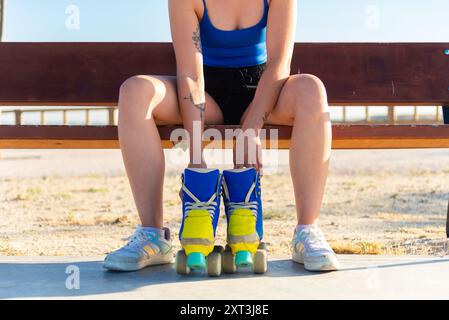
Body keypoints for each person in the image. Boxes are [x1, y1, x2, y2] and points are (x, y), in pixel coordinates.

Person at [103, 0, 339, 273]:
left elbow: (278, 64)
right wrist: (195, 153)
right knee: (135, 91)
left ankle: (306, 232)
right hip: (206, 95)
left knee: (312, 89)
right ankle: (153, 237)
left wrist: (251, 129)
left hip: (263, 93)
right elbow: (190, 74)